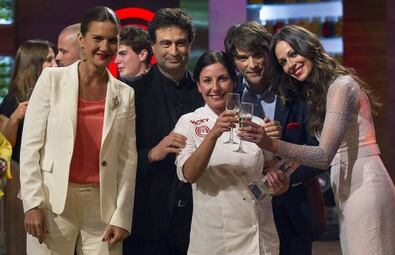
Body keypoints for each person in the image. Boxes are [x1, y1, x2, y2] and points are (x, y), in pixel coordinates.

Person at [241, 25, 395, 255]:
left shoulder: (341, 86)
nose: (290, 65)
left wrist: (270, 143)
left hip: (366, 186)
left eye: (293, 54)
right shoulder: (322, 92)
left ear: (309, 46)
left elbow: (323, 156)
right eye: (283, 62)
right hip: (348, 187)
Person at [19, 6, 137, 255]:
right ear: (82, 41)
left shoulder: (125, 93)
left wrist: (122, 215)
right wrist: (32, 204)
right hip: (53, 202)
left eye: (112, 40)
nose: (104, 47)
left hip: (102, 206)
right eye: (97, 38)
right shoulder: (52, 80)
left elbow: (127, 159)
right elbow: (30, 146)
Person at [174, 50, 292, 254]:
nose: (215, 88)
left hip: (259, 236)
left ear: (234, 82)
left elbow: (268, 172)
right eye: (207, 81)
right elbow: (189, 174)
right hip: (216, 239)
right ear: (199, 86)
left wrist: (279, 184)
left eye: (222, 79)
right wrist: (213, 134)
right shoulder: (188, 123)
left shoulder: (254, 122)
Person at [224, 21, 325, 255]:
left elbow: (320, 150)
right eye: (242, 58)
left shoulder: (298, 91)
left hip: (293, 207)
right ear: (234, 62)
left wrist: (286, 173)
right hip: (244, 211)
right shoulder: (230, 96)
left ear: (268, 54)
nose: (252, 64)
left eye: (258, 55)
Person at [123, 8, 204, 255]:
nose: (173, 51)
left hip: (198, 216)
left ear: (189, 45)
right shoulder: (131, 93)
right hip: (147, 217)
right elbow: (115, 158)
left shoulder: (205, 92)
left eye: (180, 43)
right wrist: (151, 154)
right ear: (153, 46)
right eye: (166, 43)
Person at [0, 39, 57, 255]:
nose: (55, 64)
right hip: (19, 174)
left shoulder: (56, 93)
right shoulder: (13, 99)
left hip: (48, 173)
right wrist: (14, 118)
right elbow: (5, 146)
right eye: (49, 60)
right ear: (34, 64)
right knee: (20, 234)